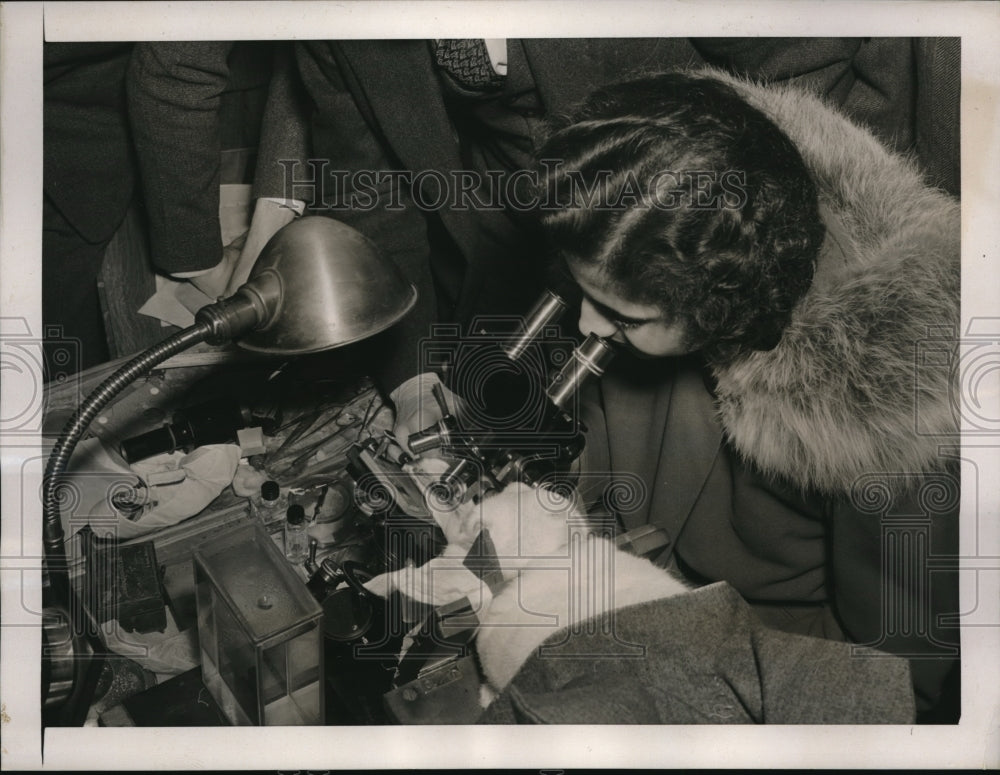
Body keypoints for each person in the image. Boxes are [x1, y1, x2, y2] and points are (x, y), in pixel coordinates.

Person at [517, 69, 960, 720]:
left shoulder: (895, 430)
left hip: (769, 673)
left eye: (621, 317)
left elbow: (893, 682)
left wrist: (679, 654)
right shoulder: (665, 241)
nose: (585, 327)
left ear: (719, 305)